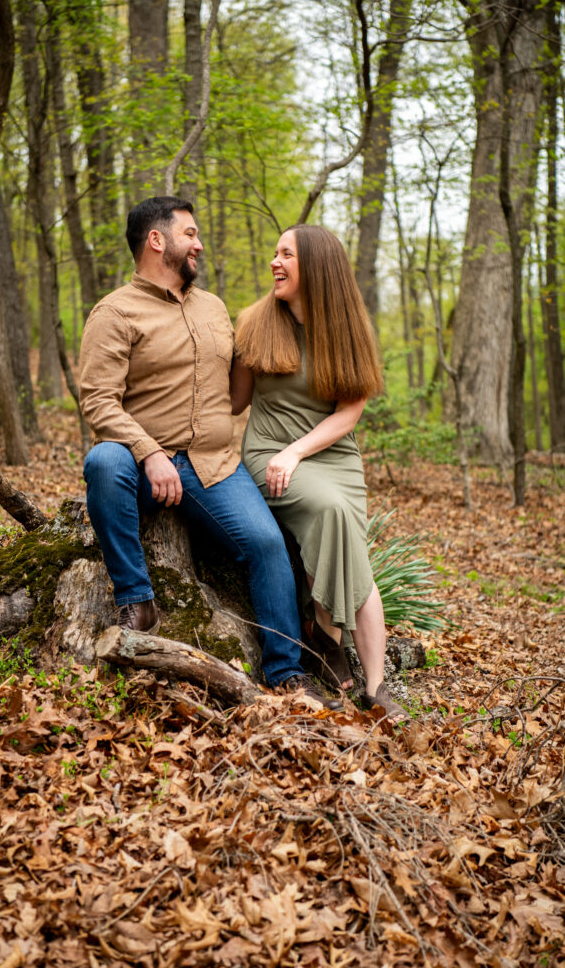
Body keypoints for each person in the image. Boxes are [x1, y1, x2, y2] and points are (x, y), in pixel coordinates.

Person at [79, 196, 342, 710]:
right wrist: (149, 452)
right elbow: (97, 399)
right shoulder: (114, 312)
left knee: (267, 545)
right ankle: (137, 602)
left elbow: (247, 380)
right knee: (102, 462)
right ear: (158, 240)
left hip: (215, 466)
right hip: (139, 462)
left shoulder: (215, 308)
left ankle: (286, 673)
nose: (199, 243)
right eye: (190, 234)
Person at [231, 224, 408, 723]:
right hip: (268, 453)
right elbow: (234, 401)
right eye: (274, 251)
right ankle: (326, 639)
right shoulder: (255, 322)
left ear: (316, 266)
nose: (275, 262)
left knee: (352, 544)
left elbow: (348, 414)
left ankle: (375, 687)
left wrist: (298, 452)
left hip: (333, 456)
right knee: (331, 513)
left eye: (286, 253)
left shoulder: (348, 328)